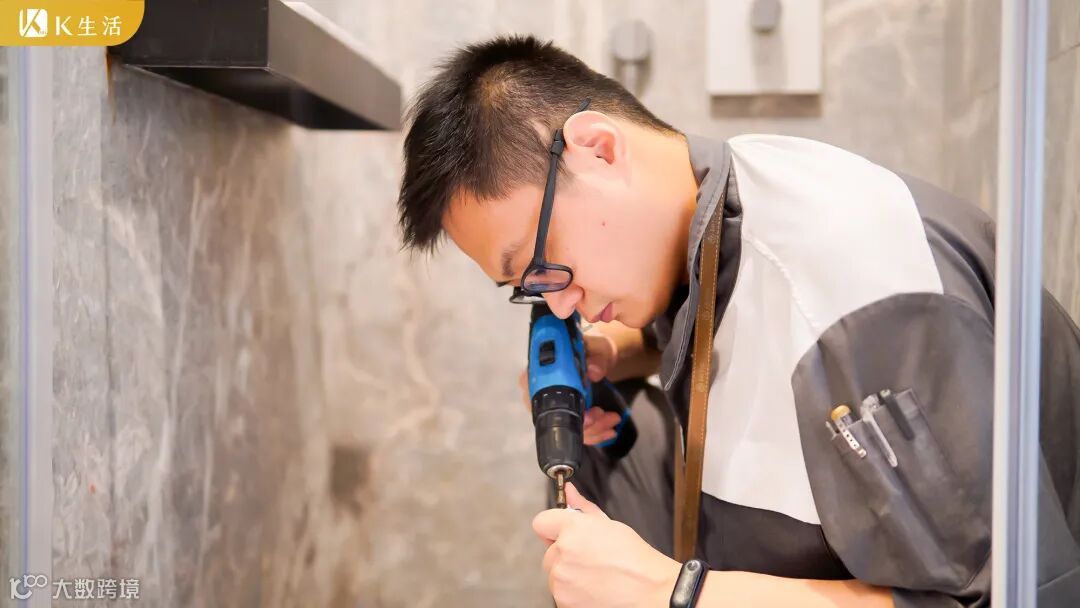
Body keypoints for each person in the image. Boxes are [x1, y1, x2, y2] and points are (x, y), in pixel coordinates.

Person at [395, 35, 1080, 607]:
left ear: (598, 148)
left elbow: (999, 597)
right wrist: (618, 352)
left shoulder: (853, 294)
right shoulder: (723, 190)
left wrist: (672, 591)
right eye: (528, 288)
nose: (561, 305)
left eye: (543, 263)